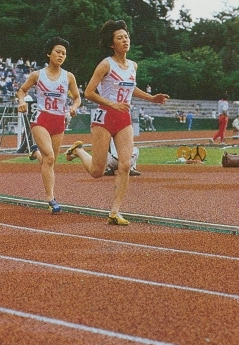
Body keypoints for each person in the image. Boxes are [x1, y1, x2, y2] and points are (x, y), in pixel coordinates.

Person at [64, 20, 169, 225]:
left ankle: (115, 211)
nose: (125, 40)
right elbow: (89, 92)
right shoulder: (105, 64)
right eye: (120, 38)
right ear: (112, 44)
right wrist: (112, 103)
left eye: (126, 37)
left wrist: (151, 98)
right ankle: (78, 151)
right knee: (97, 171)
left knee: (126, 164)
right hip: (104, 117)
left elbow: (131, 89)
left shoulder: (133, 66)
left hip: (123, 118)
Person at [15, 37, 82, 213]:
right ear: (49, 53)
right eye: (58, 52)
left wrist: (74, 108)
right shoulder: (38, 75)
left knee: (49, 161)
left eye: (64, 53)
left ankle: (35, 152)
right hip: (41, 119)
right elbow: (22, 90)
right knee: (50, 157)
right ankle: (50, 198)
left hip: (59, 121)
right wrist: (21, 101)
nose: (61, 55)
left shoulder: (68, 77)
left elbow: (77, 97)